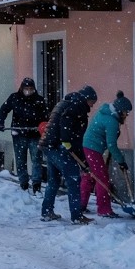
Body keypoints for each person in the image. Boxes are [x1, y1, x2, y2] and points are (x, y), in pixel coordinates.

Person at [39, 85, 97, 224]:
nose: (92, 105)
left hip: (50, 145)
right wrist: (65, 141)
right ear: (87, 99)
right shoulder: (77, 105)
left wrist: (84, 163)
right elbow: (66, 123)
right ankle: (77, 216)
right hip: (58, 146)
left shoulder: (68, 103)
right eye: (92, 102)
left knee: (54, 181)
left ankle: (47, 212)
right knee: (74, 180)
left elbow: (76, 139)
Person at [80, 91, 132, 218]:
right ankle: (104, 209)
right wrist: (121, 160)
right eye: (126, 112)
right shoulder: (111, 121)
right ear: (120, 111)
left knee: (90, 176)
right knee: (102, 178)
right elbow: (112, 145)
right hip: (93, 149)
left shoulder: (105, 112)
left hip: (87, 146)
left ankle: (80, 204)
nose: (126, 115)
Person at [0, 77, 51, 193]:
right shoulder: (14, 98)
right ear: (22, 88)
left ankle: (36, 184)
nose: (28, 91)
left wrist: (43, 127)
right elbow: (4, 109)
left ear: (34, 89)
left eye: (30, 89)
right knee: (20, 159)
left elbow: (46, 116)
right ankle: (23, 183)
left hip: (35, 134)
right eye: (26, 88)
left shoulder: (39, 100)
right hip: (18, 133)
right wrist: (0, 122)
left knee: (36, 159)